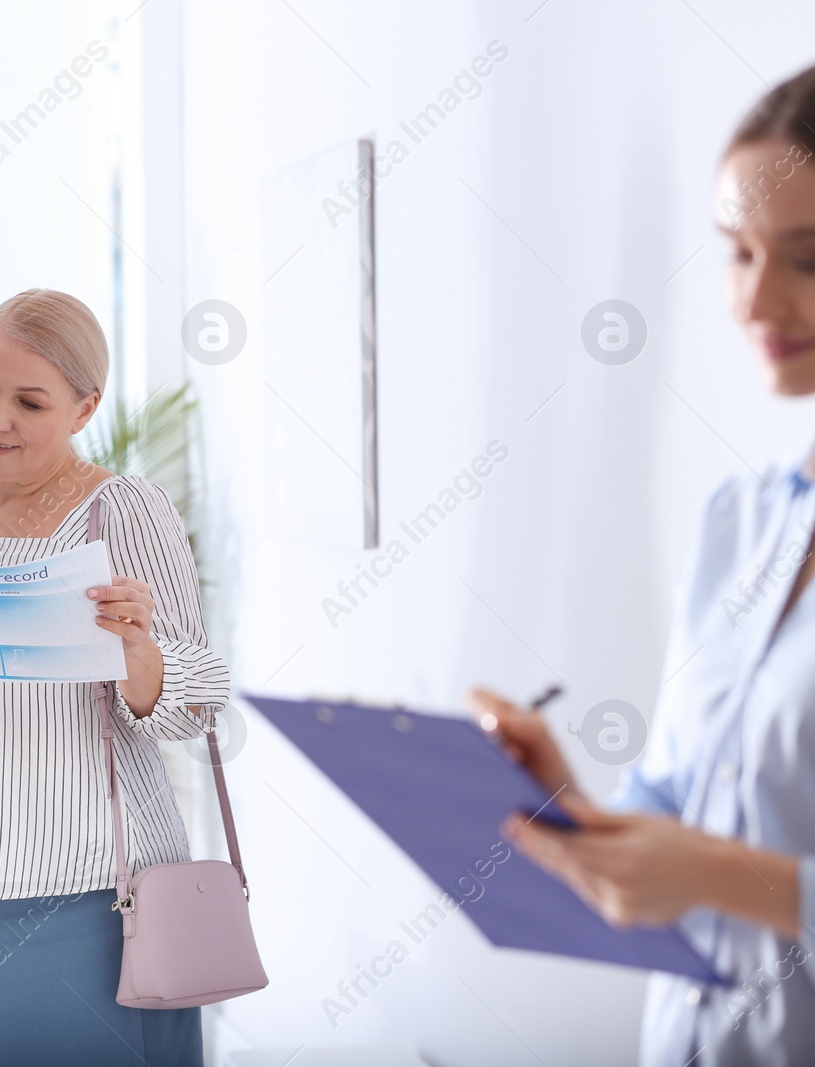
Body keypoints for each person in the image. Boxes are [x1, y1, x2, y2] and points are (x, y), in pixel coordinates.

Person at [470, 65, 815, 1067]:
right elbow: (682, 799)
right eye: (736, 251)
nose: (755, 296)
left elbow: (711, 859)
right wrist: (578, 813)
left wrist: (713, 872)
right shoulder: (738, 521)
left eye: (806, 256)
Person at [0, 289, 229, 1066]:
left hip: (100, 894)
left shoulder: (121, 510)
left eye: (29, 401)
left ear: (85, 407)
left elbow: (199, 700)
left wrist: (139, 654)